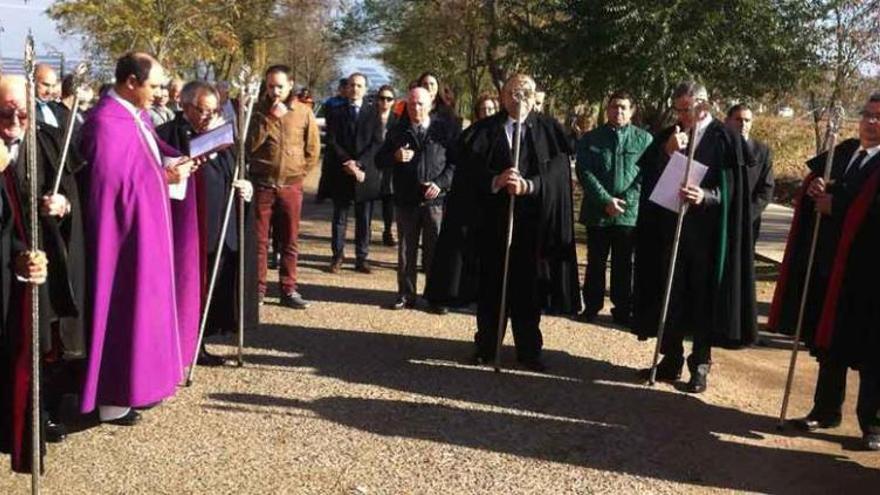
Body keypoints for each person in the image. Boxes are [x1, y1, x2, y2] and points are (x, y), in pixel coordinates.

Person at [426, 74, 580, 371]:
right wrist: (495, 181)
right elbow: (468, 176)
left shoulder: (550, 130)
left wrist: (530, 185)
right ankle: (486, 346)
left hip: (533, 226)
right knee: (491, 289)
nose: (520, 97)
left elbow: (559, 176)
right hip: (492, 226)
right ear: (503, 95)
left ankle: (529, 350)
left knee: (528, 290)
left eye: (526, 92)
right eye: (513, 92)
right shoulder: (484, 131)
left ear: (535, 96)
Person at [79, 52, 195, 425]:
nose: (161, 92)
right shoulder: (104, 123)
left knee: (145, 309)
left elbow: (147, 158)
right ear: (131, 82)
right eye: (155, 85)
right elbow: (110, 187)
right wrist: (164, 179)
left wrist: (175, 163)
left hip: (146, 231)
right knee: (122, 311)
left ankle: (139, 387)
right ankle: (113, 399)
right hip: (121, 242)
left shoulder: (135, 115)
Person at [771, 93, 880, 450]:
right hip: (832, 265)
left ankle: (873, 425)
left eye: (879, 117)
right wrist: (815, 187)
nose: (871, 122)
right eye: (867, 115)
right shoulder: (845, 152)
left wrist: (839, 205)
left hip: (870, 275)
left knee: (870, 352)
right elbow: (820, 184)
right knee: (829, 342)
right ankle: (826, 409)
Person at [632, 81, 756, 393]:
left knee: (703, 300)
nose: (682, 116)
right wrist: (667, 152)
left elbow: (735, 191)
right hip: (669, 231)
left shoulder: (726, 138)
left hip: (707, 237)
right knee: (669, 296)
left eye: (686, 109)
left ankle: (699, 364)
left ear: (703, 105)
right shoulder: (671, 135)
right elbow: (649, 177)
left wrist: (706, 195)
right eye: (678, 109)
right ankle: (670, 358)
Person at [158, 81, 258, 363]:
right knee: (187, 287)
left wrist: (245, 188)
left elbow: (237, 171)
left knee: (213, 289)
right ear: (185, 106)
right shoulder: (167, 136)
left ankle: (199, 341)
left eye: (213, 111)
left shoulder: (223, 137)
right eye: (202, 111)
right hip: (189, 230)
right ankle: (181, 344)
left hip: (221, 228)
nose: (208, 117)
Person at [0, 75, 58, 473]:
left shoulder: (26, 152)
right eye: (6, 113)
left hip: (14, 290)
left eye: (24, 113)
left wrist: (26, 257)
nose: (16, 121)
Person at [576, 90, 652, 324]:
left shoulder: (644, 140)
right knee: (596, 261)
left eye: (623, 107)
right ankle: (591, 306)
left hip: (628, 214)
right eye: (614, 107)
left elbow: (645, 176)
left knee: (623, 264)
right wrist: (605, 200)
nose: (618, 111)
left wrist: (624, 201)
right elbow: (584, 172)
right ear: (607, 109)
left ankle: (622, 309)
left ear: (632, 111)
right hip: (598, 212)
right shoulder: (591, 139)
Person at [247, 65, 320, 307]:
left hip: (291, 186)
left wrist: (298, 174)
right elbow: (248, 147)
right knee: (259, 242)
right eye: (271, 86)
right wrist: (269, 119)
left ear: (290, 85)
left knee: (289, 240)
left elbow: (313, 150)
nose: (275, 91)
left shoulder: (303, 111)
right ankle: (257, 290)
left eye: (280, 86)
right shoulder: (257, 110)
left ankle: (288, 289)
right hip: (262, 185)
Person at [378, 87, 455, 313]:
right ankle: (405, 294)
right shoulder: (397, 130)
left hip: (435, 201)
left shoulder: (444, 130)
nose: (416, 108)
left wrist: (440, 184)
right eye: (411, 104)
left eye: (420, 103)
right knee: (405, 251)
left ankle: (434, 297)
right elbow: (379, 160)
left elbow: (455, 164)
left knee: (434, 252)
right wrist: (394, 156)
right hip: (406, 200)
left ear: (431, 103)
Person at [321, 72, 383, 274]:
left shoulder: (373, 113)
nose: (355, 89)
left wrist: (360, 164)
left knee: (364, 219)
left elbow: (376, 142)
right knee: (340, 218)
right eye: (351, 85)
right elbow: (332, 141)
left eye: (359, 85)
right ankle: (337, 256)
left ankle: (361, 258)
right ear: (346, 88)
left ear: (365, 89)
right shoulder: (336, 112)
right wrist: (347, 162)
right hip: (342, 171)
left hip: (365, 174)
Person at [725, 104, 774, 244]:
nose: (743, 124)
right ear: (727, 121)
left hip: (747, 223)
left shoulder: (762, 152)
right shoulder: (719, 148)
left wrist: (747, 215)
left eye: (747, 120)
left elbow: (766, 189)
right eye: (738, 120)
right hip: (719, 220)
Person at [375, 84, 398, 247]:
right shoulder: (369, 117)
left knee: (388, 198)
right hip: (372, 163)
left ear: (393, 102)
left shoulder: (397, 121)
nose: (385, 102)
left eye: (388, 99)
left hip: (390, 164)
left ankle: (388, 230)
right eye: (382, 98)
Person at [34, 63, 63, 128]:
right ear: (33, 82)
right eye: (45, 85)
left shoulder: (55, 108)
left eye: (53, 86)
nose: (49, 91)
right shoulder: (25, 109)